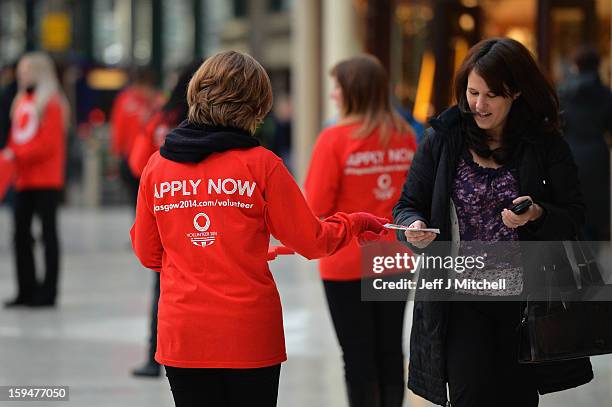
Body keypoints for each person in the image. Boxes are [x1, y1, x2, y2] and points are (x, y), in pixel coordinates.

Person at [130, 50, 389, 407]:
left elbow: (147, 253)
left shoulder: (158, 167)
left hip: (184, 332)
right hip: (248, 333)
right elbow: (312, 241)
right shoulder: (262, 165)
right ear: (255, 105)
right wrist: (356, 222)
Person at [393, 38, 593, 407]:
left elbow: (575, 213)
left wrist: (536, 214)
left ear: (515, 93)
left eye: (491, 95)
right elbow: (408, 205)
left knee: (517, 399)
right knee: (470, 395)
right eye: (472, 93)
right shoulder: (443, 138)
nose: (478, 105)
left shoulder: (545, 144)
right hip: (460, 299)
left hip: (525, 302)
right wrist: (413, 227)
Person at [304, 54, 417, 407]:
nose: (333, 94)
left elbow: (314, 208)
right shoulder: (405, 136)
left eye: (337, 86)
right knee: (388, 353)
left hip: (345, 261)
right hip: (393, 258)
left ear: (353, 90)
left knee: (357, 358)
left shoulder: (334, 139)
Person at [129, 61, 201, 378]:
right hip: (369, 248)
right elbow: (312, 226)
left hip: (170, 214)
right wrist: (358, 226)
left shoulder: (162, 119)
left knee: (167, 284)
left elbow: (137, 162)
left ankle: (157, 354)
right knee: (367, 348)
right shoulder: (215, 127)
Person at [1, 52, 69, 308]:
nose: (22, 74)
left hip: (45, 179)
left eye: (27, 69)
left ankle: (48, 291)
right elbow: (15, 137)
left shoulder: (51, 103)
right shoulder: (21, 101)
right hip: (23, 178)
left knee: (47, 234)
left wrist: (14, 155)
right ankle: (25, 289)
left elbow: (47, 145)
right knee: (20, 234)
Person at [558, 46, 612, 243]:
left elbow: (558, 124)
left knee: (573, 203)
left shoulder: (563, 92)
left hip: (570, 152)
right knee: (595, 210)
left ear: (575, 66)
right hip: (597, 153)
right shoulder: (606, 94)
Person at [110, 67, 161, 205]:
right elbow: (118, 130)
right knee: (139, 199)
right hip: (135, 157)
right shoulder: (128, 101)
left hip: (148, 157)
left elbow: (118, 130)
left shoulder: (157, 101)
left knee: (143, 199)